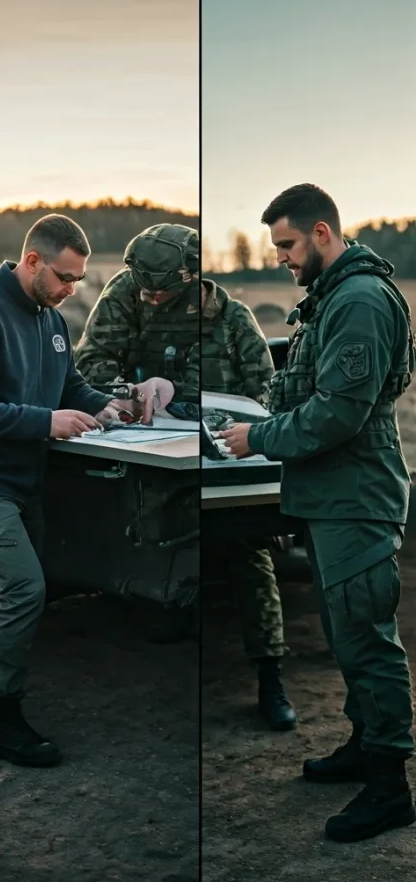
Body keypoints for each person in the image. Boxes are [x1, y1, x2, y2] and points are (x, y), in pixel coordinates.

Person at [218, 183, 416, 843]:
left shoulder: (358, 301)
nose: (279, 257)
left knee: (368, 641)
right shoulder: (334, 297)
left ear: (322, 234)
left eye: (287, 244)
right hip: (333, 497)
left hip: (356, 499)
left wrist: (258, 437)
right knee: (347, 635)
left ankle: (390, 787)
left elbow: (338, 413)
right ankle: (365, 746)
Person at [0, 214, 170, 767]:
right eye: (64, 277)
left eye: (78, 280)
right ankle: (2, 718)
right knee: (24, 589)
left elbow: (70, 384)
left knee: (5, 591)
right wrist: (44, 422)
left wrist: (110, 405)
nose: (71, 289)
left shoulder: (51, 318)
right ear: (32, 260)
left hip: (28, 482)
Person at [74, 223, 201, 642]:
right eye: (144, 290)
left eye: (160, 292)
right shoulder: (123, 291)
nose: (151, 299)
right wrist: (125, 393)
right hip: (137, 429)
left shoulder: (213, 305)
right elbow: (91, 362)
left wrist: (178, 394)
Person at [193, 279, 298, 731]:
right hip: (166, 455)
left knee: (249, 551)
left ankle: (270, 677)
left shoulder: (235, 320)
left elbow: (269, 396)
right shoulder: (148, 313)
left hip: (230, 463)